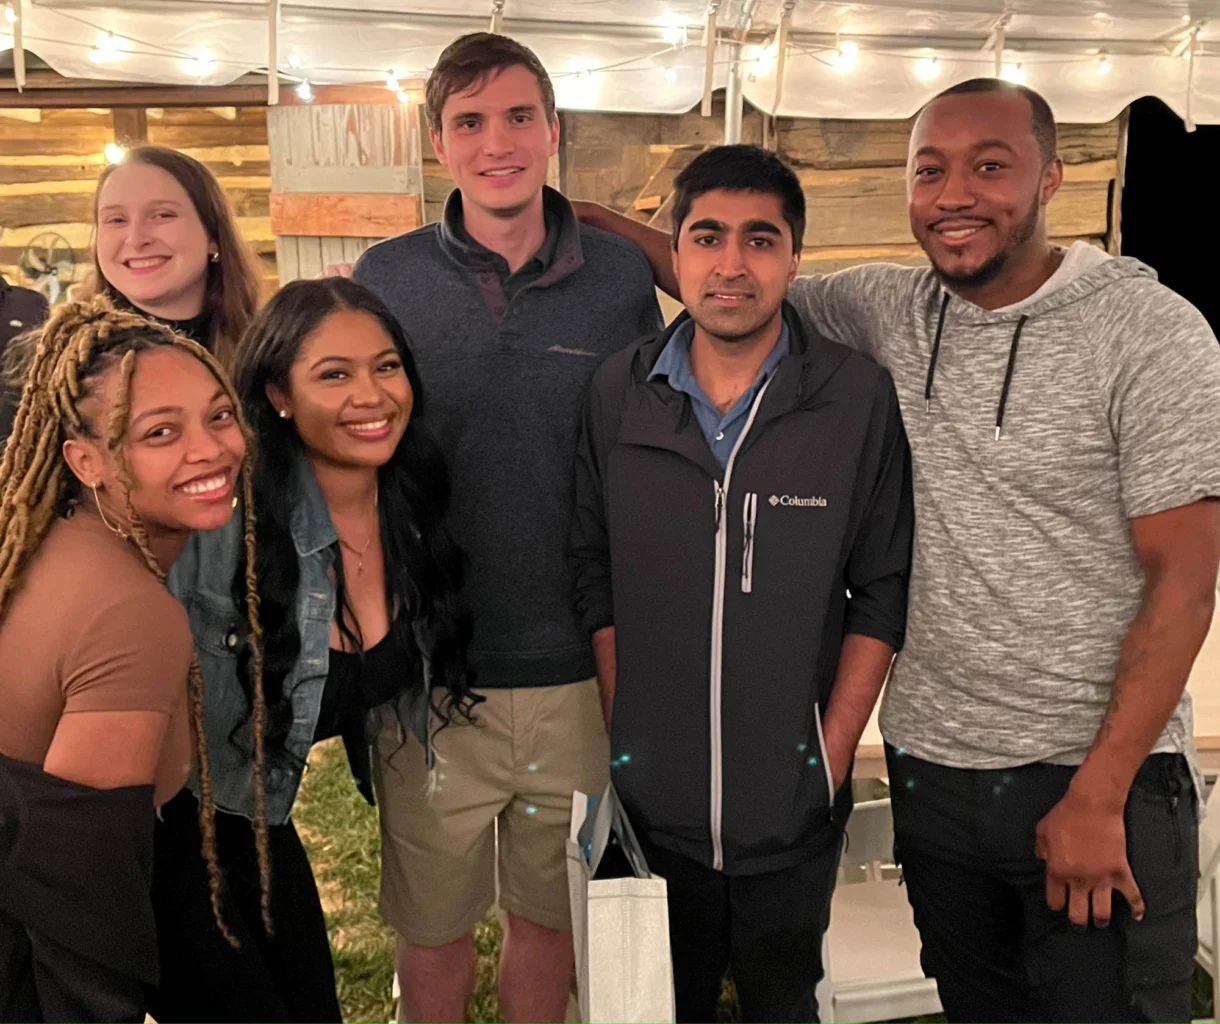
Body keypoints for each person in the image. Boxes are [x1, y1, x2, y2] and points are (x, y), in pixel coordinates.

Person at [576, 80, 1220, 1022]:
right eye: (931, 170)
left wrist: (1102, 789)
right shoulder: (887, 307)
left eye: (990, 165)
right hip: (934, 777)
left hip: (1087, 779)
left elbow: (1186, 577)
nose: (956, 193)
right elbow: (727, 278)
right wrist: (563, 214)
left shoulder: (1150, 333)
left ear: (1053, 177)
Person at [350, 31, 663, 1024]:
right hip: (431, 670)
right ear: (438, 143)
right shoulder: (384, 277)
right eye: (471, 121)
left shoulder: (618, 279)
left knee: (549, 924)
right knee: (432, 935)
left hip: (576, 667)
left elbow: (651, 440)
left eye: (519, 116)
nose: (499, 142)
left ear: (553, 130)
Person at [569, 144, 913, 1022]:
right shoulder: (618, 392)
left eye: (760, 240)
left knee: (781, 1000)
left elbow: (880, 585)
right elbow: (592, 564)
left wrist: (830, 756)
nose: (731, 264)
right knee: (660, 1005)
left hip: (792, 810)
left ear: (794, 258)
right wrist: (625, 716)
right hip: (656, 802)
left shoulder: (854, 396)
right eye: (707, 236)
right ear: (675, 255)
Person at [152, 277, 477, 1023]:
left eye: (386, 366)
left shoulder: (411, 508)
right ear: (278, 396)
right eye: (334, 374)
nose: (372, 394)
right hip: (172, 835)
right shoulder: (223, 523)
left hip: (262, 823)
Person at [0, 296, 258, 1021]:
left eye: (217, 415)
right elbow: (78, 887)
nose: (209, 449)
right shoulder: (131, 616)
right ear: (84, 460)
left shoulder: (50, 545)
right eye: (158, 432)